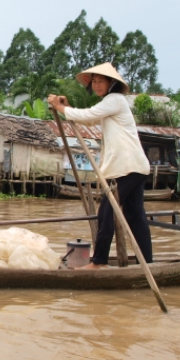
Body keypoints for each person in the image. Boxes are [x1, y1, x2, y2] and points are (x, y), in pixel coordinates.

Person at [47, 63, 153, 270]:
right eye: (93, 82)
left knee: (106, 212)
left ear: (111, 83)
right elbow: (88, 121)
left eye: (100, 81)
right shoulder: (110, 104)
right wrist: (67, 107)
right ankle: (147, 263)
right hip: (134, 167)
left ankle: (100, 261)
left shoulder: (115, 99)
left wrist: (61, 108)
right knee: (134, 215)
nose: (96, 85)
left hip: (128, 167)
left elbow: (88, 115)